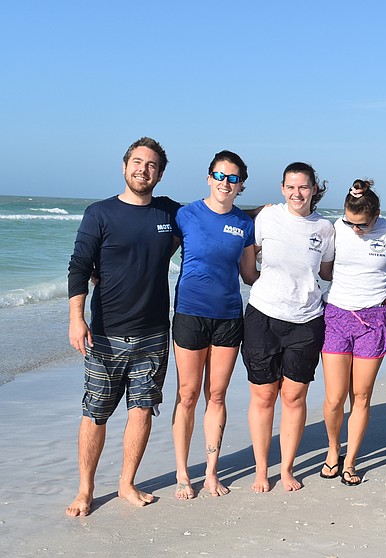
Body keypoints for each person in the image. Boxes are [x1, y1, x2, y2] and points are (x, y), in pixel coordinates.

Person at [66, 137, 181, 516]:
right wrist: (76, 318)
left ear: (160, 174)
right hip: (104, 334)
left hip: (153, 334)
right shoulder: (99, 213)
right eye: (136, 162)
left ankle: (126, 483)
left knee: (142, 410)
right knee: (95, 412)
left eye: (150, 165)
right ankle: (85, 490)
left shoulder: (168, 214)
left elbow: (214, 219)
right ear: (124, 166)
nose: (142, 169)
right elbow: (80, 266)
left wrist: (273, 212)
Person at [241, 162, 334, 493]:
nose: (297, 193)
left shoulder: (324, 228)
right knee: (264, 395)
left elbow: (326, 271)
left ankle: (288, 470)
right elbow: (245, 247)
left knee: (294, 396)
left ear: (313, 190)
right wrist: (251, 277)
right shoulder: (267, 217)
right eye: (291, 187)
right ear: (282, 189)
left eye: (304, 187)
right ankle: (262, 470)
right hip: (264, 316)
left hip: (307, 321)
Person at [171, 150, 259, 499]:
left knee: (217, 395)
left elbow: (250, 274)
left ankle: (210, 472)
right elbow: (156, 251)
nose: (225, 182)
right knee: (188, 394)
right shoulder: (185, 215)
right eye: (220, 176)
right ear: (209, 178)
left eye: (233, 178)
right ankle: (182, 473)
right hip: (190, 313)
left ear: (240, 185)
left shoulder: (244, 225)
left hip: (227, 317)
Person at [320, 179, 386, 486]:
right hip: (337, 314)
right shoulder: (336, 229)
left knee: (361, 396)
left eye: (362, 225)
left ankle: (350, 461)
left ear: (376, 214)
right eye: (350, 223)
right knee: (334, 398)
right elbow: (324, 268)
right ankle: (332, 450)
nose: (355, 230)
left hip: (374, 318)